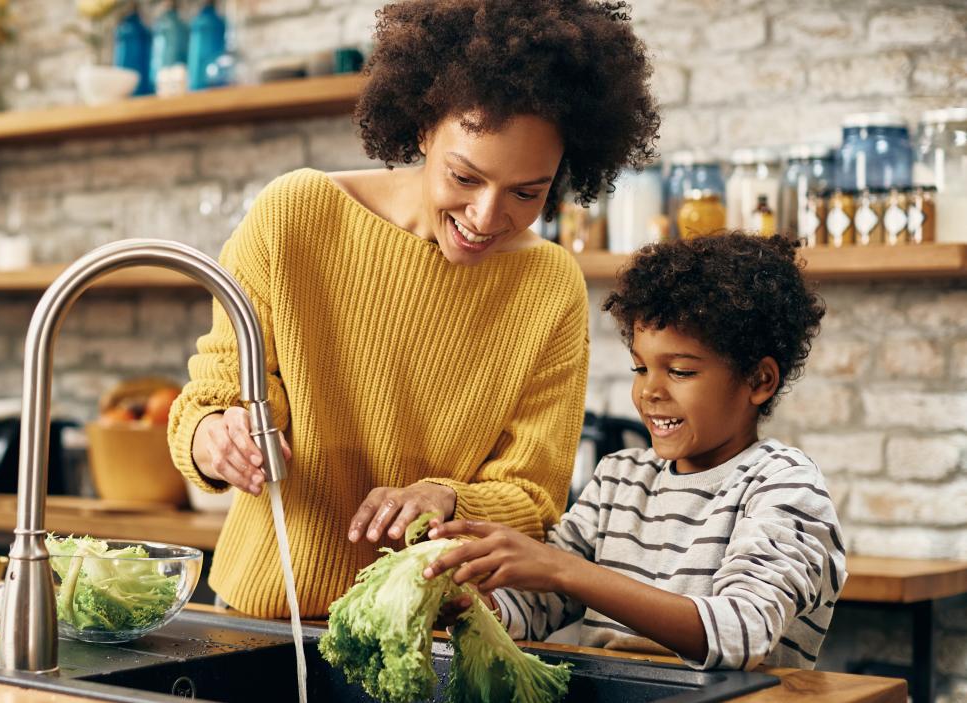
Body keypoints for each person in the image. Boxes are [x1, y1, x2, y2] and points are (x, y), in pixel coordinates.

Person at [167, 0, 660, 619]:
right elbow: (211, 399)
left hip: (431, 634)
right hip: (265, 620)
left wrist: (447, 498)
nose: (487, 218)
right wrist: (217, 439)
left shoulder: (548, 286)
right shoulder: (295, 218)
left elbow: (534, 498)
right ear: (424, 127)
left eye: (526, 193)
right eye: (465, 177)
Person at [424, 233, 844, 670]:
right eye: (640, 368)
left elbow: (741, 633)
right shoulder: (619, 479)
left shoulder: (785, 485)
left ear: (759, 381)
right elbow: (535, 607)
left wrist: (560, 568)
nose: (649, 391)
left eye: (680, 371)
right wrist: (472, 604)